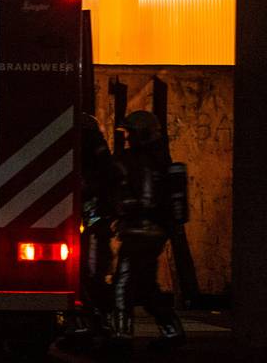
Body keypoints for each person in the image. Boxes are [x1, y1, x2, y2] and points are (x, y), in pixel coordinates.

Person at [109, 110, 185, 350]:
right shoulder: (161, 160)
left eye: (130, 133)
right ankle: (172, 331)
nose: (128, 138)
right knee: (146, 285)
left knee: (122, 284)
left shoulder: (137, 162)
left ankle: (121, 335)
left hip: (138, 233)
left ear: (142, 134)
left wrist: (119, 210)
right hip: (153, 233)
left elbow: (139, 200)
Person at [62, 113, 121, 348]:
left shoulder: (98, 163)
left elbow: (106, 179)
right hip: (92, 223)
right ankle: (95, 325)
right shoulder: (99, 159)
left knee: (89, 275)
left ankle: (97, 326)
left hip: (95, 223)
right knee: (86, 274)